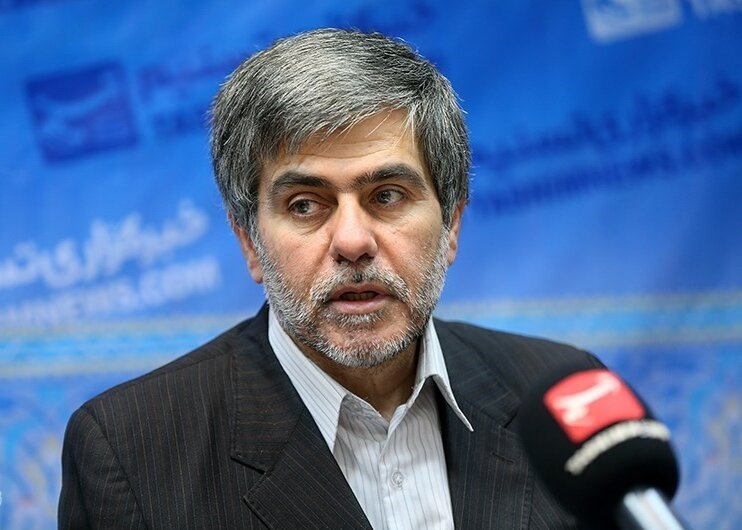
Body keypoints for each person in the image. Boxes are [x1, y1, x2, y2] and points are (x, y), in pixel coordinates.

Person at [59, 28, 601, 529]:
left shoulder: (566, 396)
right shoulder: (129, 454)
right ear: (249, 242)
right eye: (304, 204)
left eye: (387, 196)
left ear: (452, 225)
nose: (353, 241)